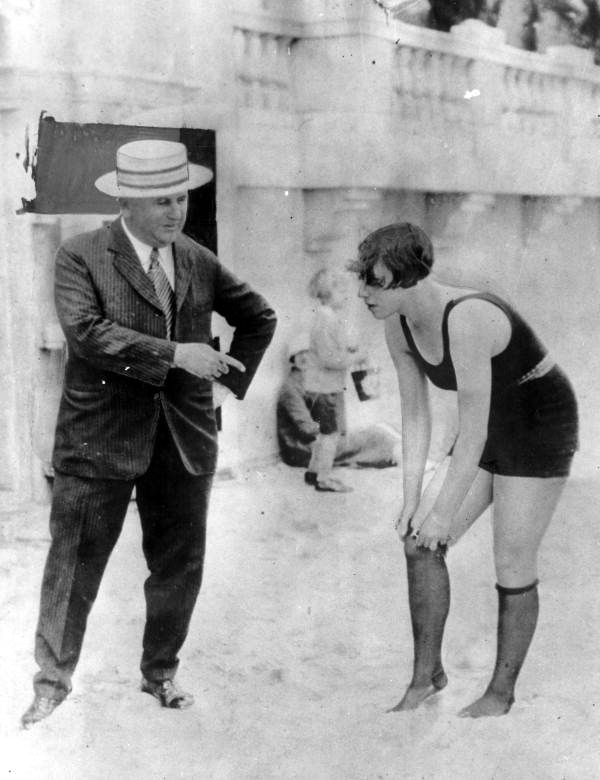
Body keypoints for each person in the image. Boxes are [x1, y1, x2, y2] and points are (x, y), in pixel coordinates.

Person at [21, 139, 276, 728]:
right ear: (129, 204)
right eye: (162, 200)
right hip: (99, 438)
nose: (175, 211)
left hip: (183, 440)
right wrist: (177, 355)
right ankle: (51, 687)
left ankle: (160, 673)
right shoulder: (81, 256)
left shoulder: (195, 258)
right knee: (75, 565)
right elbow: (88, 334)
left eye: (181, 197)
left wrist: (228, 385)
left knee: (180, 564)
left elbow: (259, 316)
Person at [351, 222, 578, 718]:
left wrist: (443, 514)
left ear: (410, 279)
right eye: (362, 279)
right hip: (493, 420)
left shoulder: (467, 317)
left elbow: (472, 431)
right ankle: (426, 676)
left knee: (512, 562)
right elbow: (416, 413)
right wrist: (413, 502)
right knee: (417, 541)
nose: (363, 292)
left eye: (375, 282)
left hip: (541, 421)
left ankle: (500, 694)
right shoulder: (397, 320)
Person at [277, 332, 404, 472]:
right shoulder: (290, 388)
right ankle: (407, 459)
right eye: (305, 355)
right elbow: (307, 428)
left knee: (379, 431)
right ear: (297, 361)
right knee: (377, 434)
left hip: (317, 444)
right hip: (302, 450)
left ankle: (403, 456)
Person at [303, 268, 361, 493]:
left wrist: (346, 349)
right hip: (325, 387)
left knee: (324, 432)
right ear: (327, 292)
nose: (346, 295)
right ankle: (324, 479)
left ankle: (313, 471)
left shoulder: (323, 315)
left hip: (318, 385)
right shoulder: (327, 318)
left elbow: (327, 350)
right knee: (331, 434)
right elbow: (329, 358)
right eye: (342, 290)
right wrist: (355, 356)